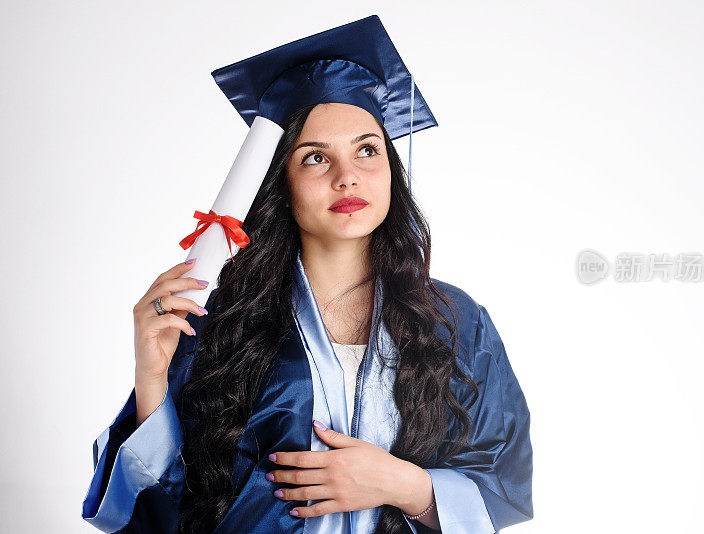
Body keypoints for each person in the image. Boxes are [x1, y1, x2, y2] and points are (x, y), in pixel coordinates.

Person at [81, 15, 533, 534]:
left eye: (367, 149)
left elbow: (505, 483)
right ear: (281, 182)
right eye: (316, 158)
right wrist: (151, 378)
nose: (348, 177)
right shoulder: (219, 320)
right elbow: (156, 511)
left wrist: (399, 484)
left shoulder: (456, 323)